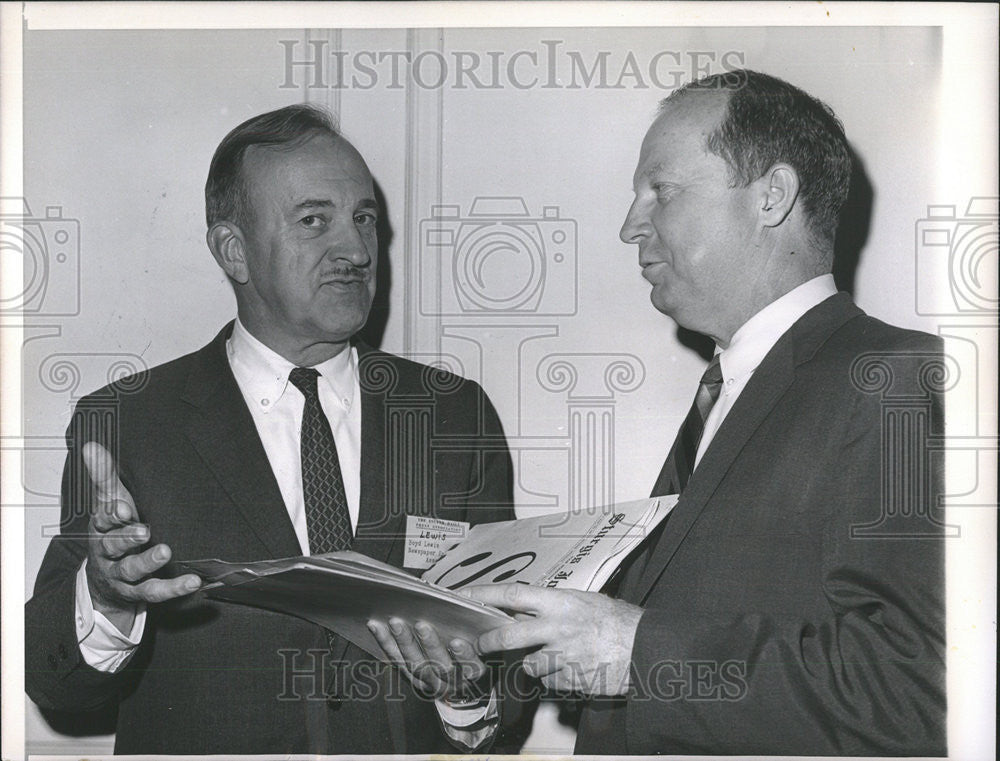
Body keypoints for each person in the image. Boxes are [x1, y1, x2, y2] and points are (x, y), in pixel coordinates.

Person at [467, 69, 947, 756]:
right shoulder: (727, 394)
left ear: (772, 197)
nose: (631, 225)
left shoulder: (894, 379)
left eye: (661, 191)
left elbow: (918, 689)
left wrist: (635, 648)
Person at [25, 104, 517, 755]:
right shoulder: (127, 423)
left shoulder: (453, 414)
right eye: (315, 220)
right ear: (235, 251)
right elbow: (55, 683)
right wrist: (108, 596)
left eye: (364, 218)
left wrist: (467, 695)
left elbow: (510, 664)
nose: (356, 249)